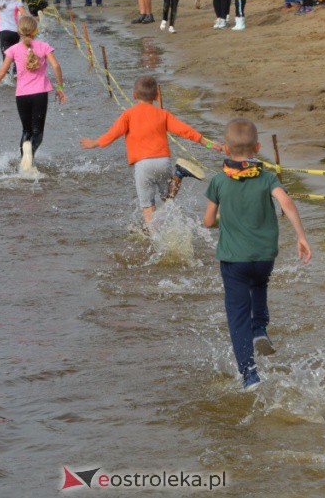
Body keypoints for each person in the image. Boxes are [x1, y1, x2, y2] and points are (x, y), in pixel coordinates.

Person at [202, 118, 311, 391]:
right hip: (264, 256)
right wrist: (301, 236)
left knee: (237, 313)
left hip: (233, 259)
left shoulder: (218, 181)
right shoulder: (268, 177)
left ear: (226, 149)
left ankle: (249, 374)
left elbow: (207, 221)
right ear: (258, 147)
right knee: (260, 283)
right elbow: (285, 201)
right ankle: (260, 328)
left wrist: (222, 223)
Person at [79, 75, 223, 225]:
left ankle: (154, 242)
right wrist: (207, 143)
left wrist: (95, 143)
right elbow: (185, 130)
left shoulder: (128, 115)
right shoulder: (163, 114)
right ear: (156, 96)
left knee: (148, 208)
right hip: (163, 161)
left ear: (133, 95)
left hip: (142, 165)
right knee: (167, 198)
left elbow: (112, 134)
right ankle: (179, 173)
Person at [0, 15, 67, 173]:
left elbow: (2, 72)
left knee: (26, 131)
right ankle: (29, 157)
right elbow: (56, 66)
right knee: (37, 133)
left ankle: (25, 163)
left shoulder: (13, 50)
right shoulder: (43, 46)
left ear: (18, 31)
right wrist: (60, 88)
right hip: (40, 94)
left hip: (21, 96)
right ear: (35, 31)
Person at [0, 0, 26, 82]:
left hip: (3, 32)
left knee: (5, 54)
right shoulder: (17, 2)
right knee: (16, 52)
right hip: (15, 32)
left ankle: (6, 77)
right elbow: (24, 14)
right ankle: (16, 74)